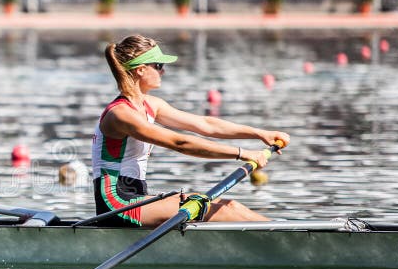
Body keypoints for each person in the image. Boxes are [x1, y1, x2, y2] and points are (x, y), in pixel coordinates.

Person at [91, 34, 290, 228]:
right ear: (141, 70)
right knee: (225, 211)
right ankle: (292, 237)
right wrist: (242, 153)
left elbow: (206, 125)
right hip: (115, 204)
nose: (163, 71)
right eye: (159, 66)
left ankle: (289, 231)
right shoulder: (120, 114)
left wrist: (260, 133)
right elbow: (179, 143)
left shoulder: (151, 105)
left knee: (231, 206)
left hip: (136, 198)